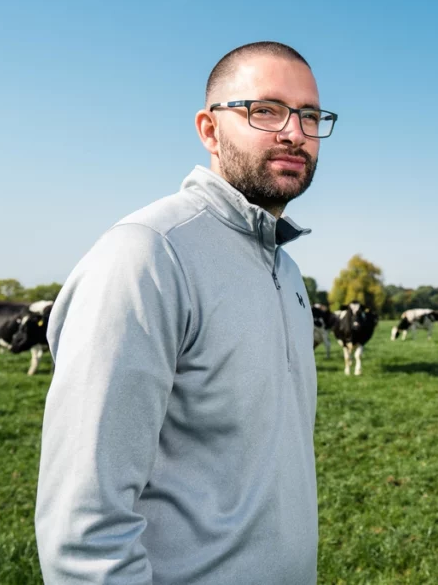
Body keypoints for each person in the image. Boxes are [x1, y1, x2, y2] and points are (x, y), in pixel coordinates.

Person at [34, 41, 337, 584]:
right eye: (265, 110)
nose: (294, 131)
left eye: (310, 116)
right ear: (209, 129)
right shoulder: (148, 254)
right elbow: (84, 531)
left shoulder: (286, 270)